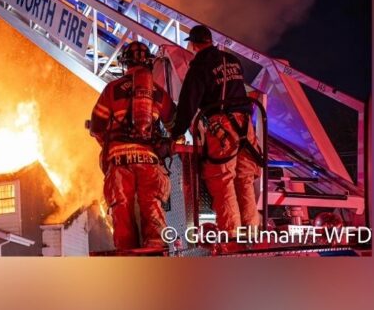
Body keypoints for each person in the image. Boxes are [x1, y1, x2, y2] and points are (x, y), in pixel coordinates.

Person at [172, 25, 262, 236]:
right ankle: (252, 233)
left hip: (222, 127)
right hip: (246, 126)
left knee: (222, 180)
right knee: (244, 180)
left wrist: (176, 132)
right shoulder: (231, 60)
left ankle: (231, 235)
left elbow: (188, 104)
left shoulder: (200, 66)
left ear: (193, 45)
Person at [89, 41, 176, 251]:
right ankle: (156, 252)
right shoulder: (158, 92)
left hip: (120, 163)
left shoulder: (112, 89)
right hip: (149, 162)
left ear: (125, 63)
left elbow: (97, 126)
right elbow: (175, 125)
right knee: (152, 206)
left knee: (121, 209)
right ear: (149, 63)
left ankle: (127, 255)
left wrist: (110, 146)